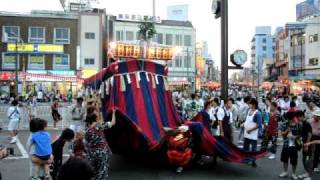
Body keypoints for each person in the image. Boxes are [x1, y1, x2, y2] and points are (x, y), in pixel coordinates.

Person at [85, 108, 116, 180]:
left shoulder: (87, 130)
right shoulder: (99, 126)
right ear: (95, 119)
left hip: (92, 153)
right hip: (102, 153)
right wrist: (114, 113)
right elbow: (113, 122)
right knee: (102, 171)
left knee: (93, 171)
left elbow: (87, 143)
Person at [279, 111, 302, 180]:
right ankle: (285, 172)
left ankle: (294, 173)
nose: (289, 120)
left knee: (294, 161)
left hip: (294, 146)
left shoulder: (298, 125)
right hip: (286, 145)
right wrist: (286, 131)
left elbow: (301, 134)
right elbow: (281, 134)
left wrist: (295, 137)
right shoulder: (284, 124)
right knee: (285, 159)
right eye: (288, 119)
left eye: (290, 119)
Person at [243, 98, 262, 167]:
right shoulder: (249, 111)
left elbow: (258, 125)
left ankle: (253, 161)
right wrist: (243, 124)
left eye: (250, 103)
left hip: (253, 134)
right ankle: (246, 159)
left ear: (254, 104)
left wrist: (250, 130)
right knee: (246, 148)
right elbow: (247, 120)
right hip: (246, 133)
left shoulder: (258, 113)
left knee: (253, 149)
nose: (249, 105)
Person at [297, 110, 313, 180]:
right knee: (304, 159)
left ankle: (309, 175)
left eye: (298, 117)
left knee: (307, 160)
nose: (297, 119)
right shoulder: (303, 123)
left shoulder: (307, 123)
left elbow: (309, 135)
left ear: (302, 116)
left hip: (307, 144)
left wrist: (307, 145)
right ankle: (306, 173)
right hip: (304, 144)